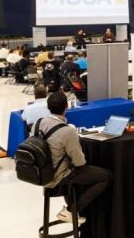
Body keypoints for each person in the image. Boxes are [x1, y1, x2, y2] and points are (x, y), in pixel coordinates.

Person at [37, 92, 110, 225]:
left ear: (48, 107)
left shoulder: (39, 123)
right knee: (106, 177)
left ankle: (72, 209)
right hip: (58, 176)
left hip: (41, 174)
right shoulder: (67, 131)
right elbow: (79, 162)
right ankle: (72, 210)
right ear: (66, 106)